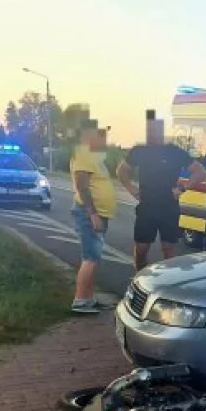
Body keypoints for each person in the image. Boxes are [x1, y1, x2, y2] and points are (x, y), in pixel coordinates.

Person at [116, 110, 206, 270]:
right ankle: (139, 278)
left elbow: (200, 172)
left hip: (169, 207)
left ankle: (167, 284)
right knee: (141, 249)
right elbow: (121, 170)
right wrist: (131, 189)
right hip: (147, 206)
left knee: (168, 250)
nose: (152, 134)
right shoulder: (139, 151)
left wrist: (182, 188)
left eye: (155, 130)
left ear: (161, 132)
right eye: (149, 131)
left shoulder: (173, 151)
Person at [69, 122, 116, 314]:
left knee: (92, 257)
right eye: (100, 136)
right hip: (89, 214)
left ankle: (88, 298)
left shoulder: (93, 156)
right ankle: (80, 301)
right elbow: (82, 186)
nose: (104, 140)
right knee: (91, 257)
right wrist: (93, 214)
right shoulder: (83, 154)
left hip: (99, 214)